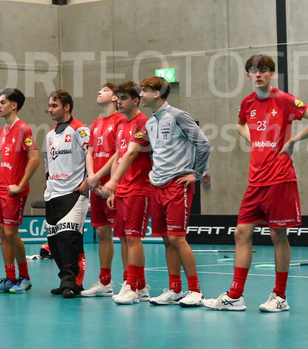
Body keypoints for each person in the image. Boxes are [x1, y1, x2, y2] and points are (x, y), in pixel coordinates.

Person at [205, 55, 308, 312]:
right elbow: (239, 124)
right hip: (255, 181)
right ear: (248, 75)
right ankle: (236, 295)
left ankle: (280, 296)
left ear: (272, 74)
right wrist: (253, 138)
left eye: (263, 70)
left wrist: (293, 141)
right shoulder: (247, 103)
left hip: (280, 178)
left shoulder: (284, 100)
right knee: (241, 232)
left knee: (277, 234)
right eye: (253, 71)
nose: (258, 74)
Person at [137, 77, 211, 307]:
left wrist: (196, 173)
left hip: (178, 186)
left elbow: (204, 143)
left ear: (157, 93)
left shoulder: (178, 116)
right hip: (156, 186)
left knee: (178, 238)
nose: (140, 94)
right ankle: (174, 289)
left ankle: (195, 291)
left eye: (145, 91)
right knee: (167, 240)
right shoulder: (150, 123)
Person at [98, 81, 153, 304]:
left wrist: (112, 182)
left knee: (133, 238)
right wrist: (114, 190)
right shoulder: (122, 125)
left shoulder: (144, 123)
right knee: (123, 237)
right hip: (122, 190)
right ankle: (138, 286)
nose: (119, 102)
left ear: (136, 100)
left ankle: (132, 285)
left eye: (123, 98)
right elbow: (118, 156)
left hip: (139, 188)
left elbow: (131, 154)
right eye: (118, 97)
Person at [0, 88, 40, 294]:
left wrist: (19, 184)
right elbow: (9, 158)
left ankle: (25, 277)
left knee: (11, 232)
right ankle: (10, 278)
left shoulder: (23, 129)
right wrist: (0, 174)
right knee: (2, 232)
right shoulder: (4, 130)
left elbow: (34, 159)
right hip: (1, 186)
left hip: (14, 191)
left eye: (3, 102)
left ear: (14, 105)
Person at [44, 90, 91, 298]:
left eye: (54, 106)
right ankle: (64, 279)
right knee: (54, 242)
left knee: (69, 238)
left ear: (66, 107)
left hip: (74, 193)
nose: (50, 109)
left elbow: (91, 154)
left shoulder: (80, 130)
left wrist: (88, 181)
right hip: (52, 194)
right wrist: (48, 182)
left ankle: (73, 283)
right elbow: (48, 162)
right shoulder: (50, 135)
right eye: (50, 106)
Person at [80, 83, 125, 297]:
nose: (99, 92)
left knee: (125, 235)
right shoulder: (96, 123)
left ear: (116, 98)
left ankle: (131, 283)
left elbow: (118, 153)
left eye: (105, 90)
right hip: (95, 185)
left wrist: (100, 177)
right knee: (100, 231)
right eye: (99, 89)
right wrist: (91, 176)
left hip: (113, 185)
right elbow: (90, 152)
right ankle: (105, 282)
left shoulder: (121, 121)